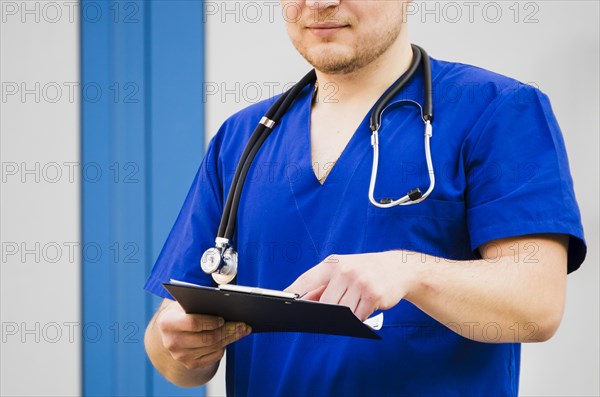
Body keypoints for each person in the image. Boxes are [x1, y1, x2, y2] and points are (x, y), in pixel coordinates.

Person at [143, 0, 587, 395]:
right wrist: (179, 344)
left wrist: (407, 271)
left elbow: (536, 305)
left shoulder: (496, 110)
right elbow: (173, 352)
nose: (319, 3)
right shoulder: (243, 138)